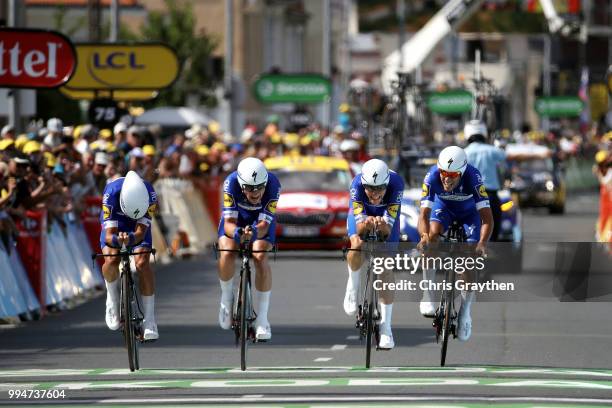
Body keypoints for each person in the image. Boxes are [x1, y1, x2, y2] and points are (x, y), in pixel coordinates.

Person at [417, 146, 493, 341]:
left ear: (462, 172)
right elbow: (424, 214)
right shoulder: (432, 175)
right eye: (444, 173)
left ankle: (465, 312)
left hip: (469, 214)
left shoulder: (473, 177)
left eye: (452, 175)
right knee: (432, 237)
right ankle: (427, 293)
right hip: (444, 210)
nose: (446, 178)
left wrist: (482, 243)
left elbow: (487, 219)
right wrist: (423, 236)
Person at [217, 157, 281, 340]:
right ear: (241, 185)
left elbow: (264, 225)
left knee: (260, 255)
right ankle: (226, 298)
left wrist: (253, 232)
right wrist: (237, 233)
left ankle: (262, 319)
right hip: (236, 220)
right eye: (250, 188)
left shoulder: (274, 184)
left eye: (260, 187)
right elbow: (229, 223)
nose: (256, 193)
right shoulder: (230, 183)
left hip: (260, 222)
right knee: (227, 251)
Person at [344, 158, 404, 349]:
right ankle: (353, 288)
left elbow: (386, 232)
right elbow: (360, 230)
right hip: (362, 217)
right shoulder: (356, 185)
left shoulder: (397, 184)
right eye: (370, 188)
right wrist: (367, 223)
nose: (375, 193)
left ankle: (386, 328)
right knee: (357, 242)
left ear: (387, 184)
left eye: (379, 189)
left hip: (386, 216)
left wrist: (381, 225)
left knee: (386, 266)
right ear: (363, 184)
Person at [99, 170, 159, 340]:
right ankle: (112, 297)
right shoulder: (111, 193)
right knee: (111, 258)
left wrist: (131, 238)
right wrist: (118, 240)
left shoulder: (150, 194)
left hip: (137, 227)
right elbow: (110, 235)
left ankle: (150, 320)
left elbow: (141, 232)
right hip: (115, 224)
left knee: (142, 263)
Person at [463, 120, 505, 241]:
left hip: (469, 198)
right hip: (490, 197)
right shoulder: (493, 150)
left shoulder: (464, 153)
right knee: (493, 233)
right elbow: (506, 157)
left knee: (468, 234)